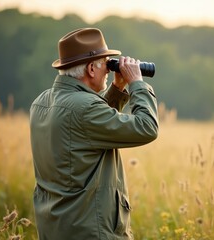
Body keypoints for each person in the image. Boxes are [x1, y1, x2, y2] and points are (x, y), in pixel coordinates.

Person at [29, 28, 159, 239]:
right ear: (91, 68)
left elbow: (89, 130)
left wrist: (117, 88)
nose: (109, 70)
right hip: (91, 230)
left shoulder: (41, 102)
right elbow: (147, 127)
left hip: (56, 228)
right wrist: (137, 83)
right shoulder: (84, 107)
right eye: (106, 63)